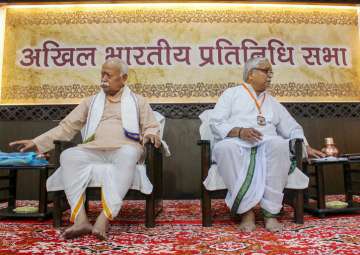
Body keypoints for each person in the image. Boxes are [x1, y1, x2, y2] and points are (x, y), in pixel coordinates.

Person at [10, 58, 161, 240]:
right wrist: (37, 142)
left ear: (124, 78)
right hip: (94, 149)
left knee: (128, 153)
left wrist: (151, 134)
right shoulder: (91, 102)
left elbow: (151, 126)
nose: (103, 78)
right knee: (68, 155)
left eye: (109, 75)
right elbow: (66, 127)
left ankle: (104, 217)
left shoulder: (138, 102)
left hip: (124, 148)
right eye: (102, 74)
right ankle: (81, 220)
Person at [209, 57, 325, 232]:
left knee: (280, 145)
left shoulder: (272, 101)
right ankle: (246, 212)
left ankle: (270, 213)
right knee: (224, 148)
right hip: (237, 142)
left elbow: (291, 127)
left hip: (267, 144)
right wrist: (240, 131)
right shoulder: (231, 94)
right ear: (250, 75)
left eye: (271, 72)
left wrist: (305, 146)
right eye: (265, 71)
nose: (270, 75)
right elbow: (216, 122)